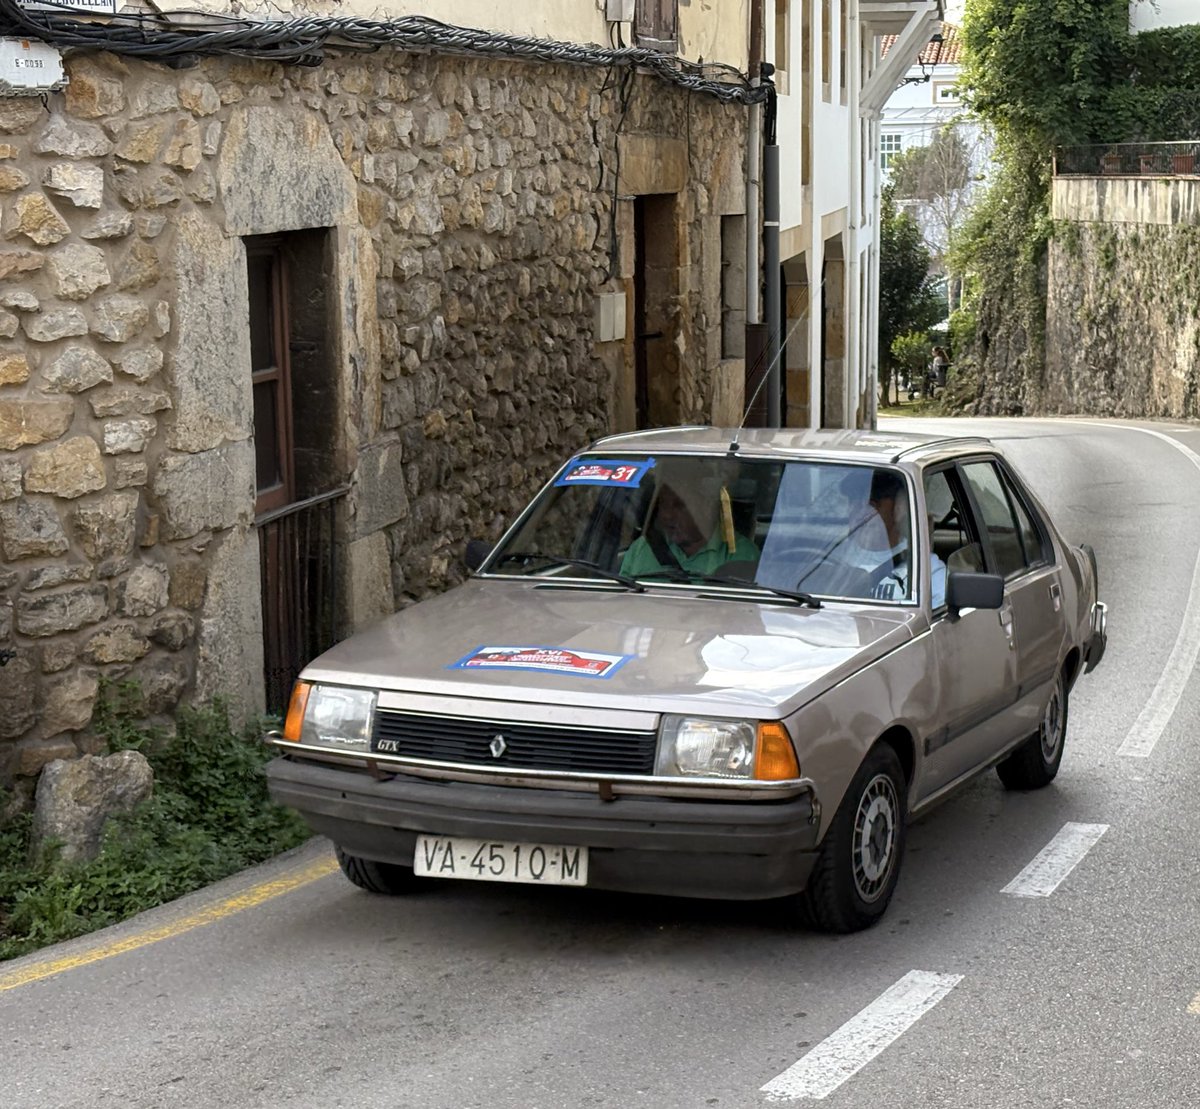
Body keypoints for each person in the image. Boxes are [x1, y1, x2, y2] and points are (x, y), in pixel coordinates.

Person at [824, 470, 946, 605]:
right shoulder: (830, 559)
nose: (860, 515)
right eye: (854, 504)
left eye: (871, 505)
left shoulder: (926, 570)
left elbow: (943, 621)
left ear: (899, 508)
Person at [619, 464, 759, 578]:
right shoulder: (642, 549)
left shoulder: (741, 554)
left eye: (679, 505)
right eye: (663, 505)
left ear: (706, 506)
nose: (667, 515)